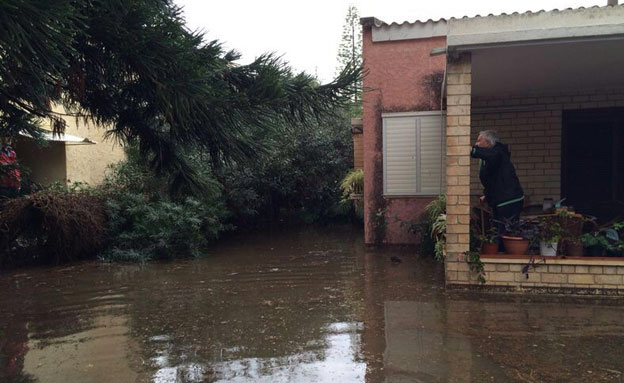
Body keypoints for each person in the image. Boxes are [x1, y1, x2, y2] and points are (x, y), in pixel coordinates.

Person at [470, 130, 524, 251]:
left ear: (488, 143)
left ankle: (506, 256)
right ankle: (500, 252)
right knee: (498, 228)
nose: (477, 143)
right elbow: (492, 179)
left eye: (479, 140)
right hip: (500, 198)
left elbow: (491, 155)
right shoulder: (488, 157)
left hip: (509, 199)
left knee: (505, 230)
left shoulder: (499, 152)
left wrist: (472, 150)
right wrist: (486, 194)